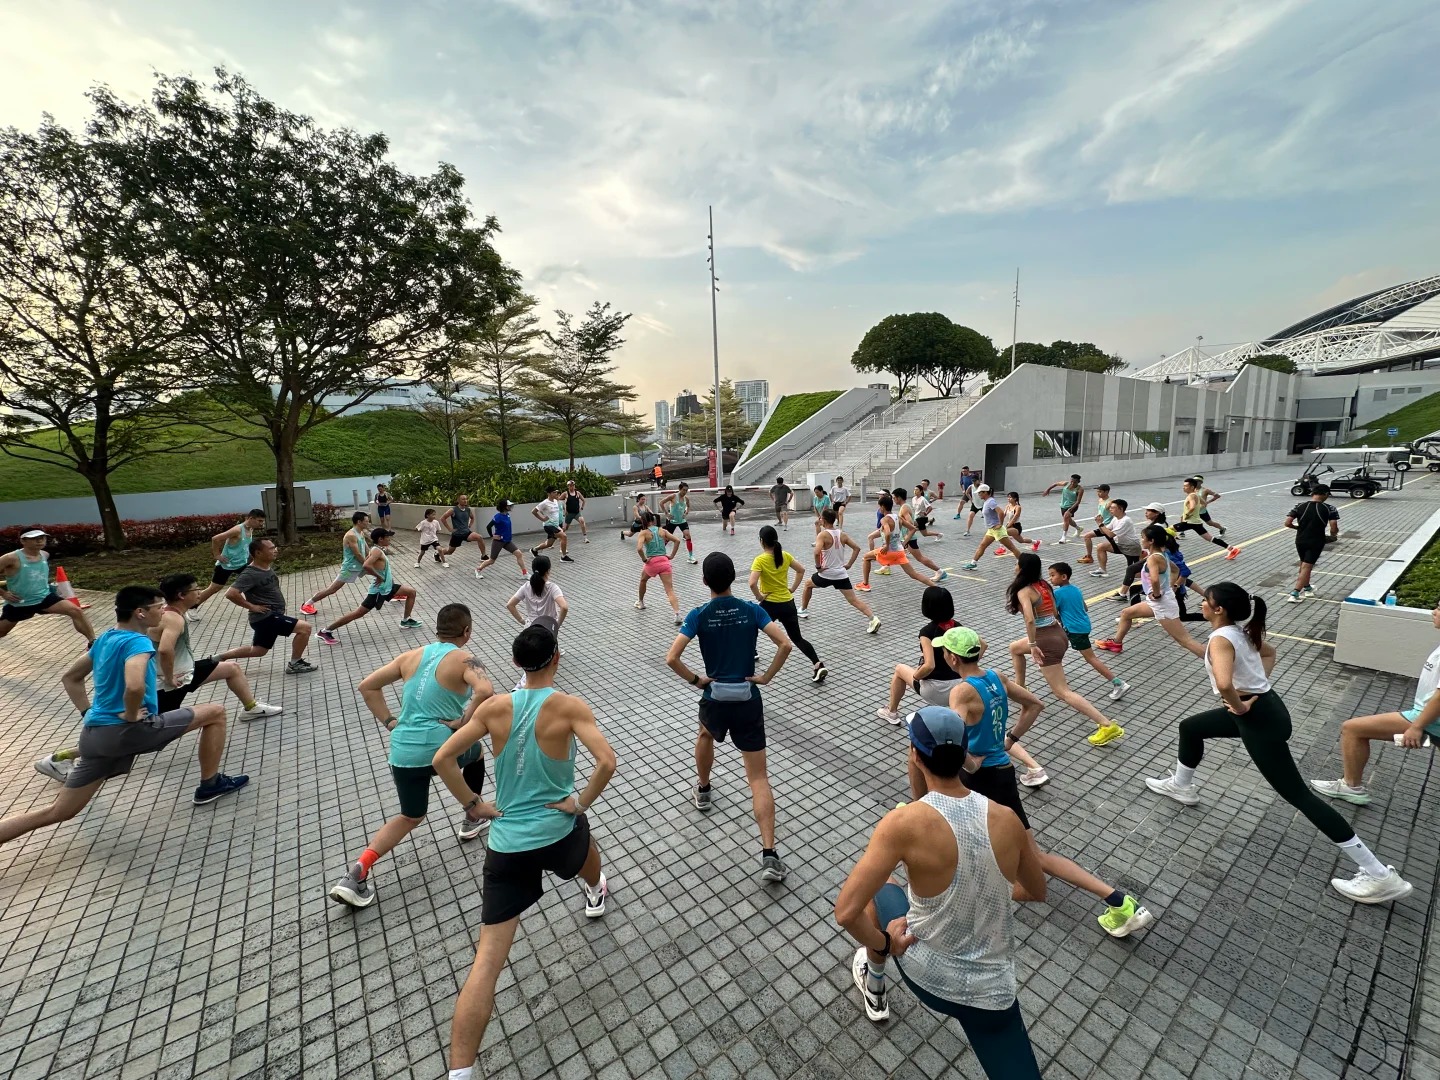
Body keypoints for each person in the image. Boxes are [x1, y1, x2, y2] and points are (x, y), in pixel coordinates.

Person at [1144, 583, 1413, 905]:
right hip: (1264, 708)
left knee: (1298, 795)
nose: (1201, 604)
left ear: (1219, 610)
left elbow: (1224, 682)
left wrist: (1242, 702)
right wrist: (1256, 688)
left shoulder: (1220, 639)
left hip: (1256, 718)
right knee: (1191, 728)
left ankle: (1380, 875)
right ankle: (1181, 786)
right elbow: (1269, 653)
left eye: (1206, 601)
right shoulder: (1239, 632)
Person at [438, 625, 617, 1080]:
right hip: (558, 829)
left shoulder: (495, 707)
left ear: (516, 663)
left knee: (487, 963)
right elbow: (607, 762)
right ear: (556, 657)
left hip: (506, 843)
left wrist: (475, 806)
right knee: (584, 841)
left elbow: (443, 759)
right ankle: (596, 889)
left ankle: (460, 1073)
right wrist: (580, 802)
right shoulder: (569, 706)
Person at [833, 706, 1045, 1077]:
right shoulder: (1006, 818)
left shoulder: (902, 824)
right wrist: (980, 886)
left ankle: (876, 980)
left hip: (926, 970)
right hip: (992, 992)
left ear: (914, 754)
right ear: (965, 754)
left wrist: (885, 943)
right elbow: (1036, 889)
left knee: (882, 884)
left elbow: (845, 911)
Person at [937, 628, 1156, 936]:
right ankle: (1119, 901)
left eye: (944, 651)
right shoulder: (995, 678)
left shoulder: (961, 692)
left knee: (952, 831)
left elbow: (951, 736)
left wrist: (970, 761)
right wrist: (1010, 739)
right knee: (1032, 855)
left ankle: (964, 892)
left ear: (951, 657)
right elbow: (1035, 704)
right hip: (1002, 773)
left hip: (978, 779)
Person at [1, 586, 244, 848]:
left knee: (60, 811)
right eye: (158, 606)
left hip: (94, 735)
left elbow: (70, 678)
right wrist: (130, 714)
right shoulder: (138, 642)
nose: (163, 610)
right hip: (129, 730)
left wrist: (89, 713)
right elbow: (135, 685)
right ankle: (210, 784)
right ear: (140, 613)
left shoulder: (105, 638)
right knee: (216, 713)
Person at [328, 603, 499, 909]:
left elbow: (367, 686)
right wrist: (463, 721)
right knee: (475, 751)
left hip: (402, 751)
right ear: (467, 632)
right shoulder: (464, 658)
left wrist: (391, 722)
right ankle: (472, 815)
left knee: (411, 815)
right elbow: (485, 691)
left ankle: (357, 873)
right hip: (441, 746)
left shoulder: (412, 655)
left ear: (437, 629)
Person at [667, 552, 793, 880]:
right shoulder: (752, 610)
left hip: (715, 697)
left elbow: (672, 658)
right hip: (747, 698)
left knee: (705, 736)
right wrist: (765, 678)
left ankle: (704, 789)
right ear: (734, 578)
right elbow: (785, 645)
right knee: (758, 778)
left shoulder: (698, 615)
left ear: (705, 581)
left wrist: (698, 681)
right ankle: (769, 854)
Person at [1311, 599, 1440, 806]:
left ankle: (1351, 786)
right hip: (1432, 722)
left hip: (1429, 719)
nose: (1433, 612)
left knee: (1352, 729)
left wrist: (1417, 727)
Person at [1004, 553, 1124, 747]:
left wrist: (1034, 645)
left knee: (1062, 691)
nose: (1014, 567)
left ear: (1022, 568)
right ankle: (1021, 688)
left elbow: (1029, 619)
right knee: (1015, 648)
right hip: (1057, 633)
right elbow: (1052, 613)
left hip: (1045, 640)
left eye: (1017, 564)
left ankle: (1106, 724)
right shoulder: (1044, 585)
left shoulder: (1024, 591)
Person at [154, 574, 280, 723]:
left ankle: (251, 708)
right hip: (171, 682)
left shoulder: (169, 612)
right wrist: (169, 679)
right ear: (181, 595)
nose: (200, 592)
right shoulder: (173, 618)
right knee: (156, 729)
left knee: (232, 668)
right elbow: (165, 649)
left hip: (185, 672)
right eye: (196, 589)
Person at [1096, 525, 1203, 658]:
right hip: (1159, 601)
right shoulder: (1161, 554)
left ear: (1151, 541)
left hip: (1162, 604)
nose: (1141, 540)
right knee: (1126, 613)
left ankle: (1215, 661)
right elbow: (1175, 570)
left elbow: (1155, 579)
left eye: (1143, 538)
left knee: (1185, 640)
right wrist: (1172, 586)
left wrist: (1157, 593)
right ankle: (1116, 643)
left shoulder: (1154, 558)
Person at [224, 539, 318, 673]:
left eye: (275, 547)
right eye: (271, 548)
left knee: (258, 650)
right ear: (258, 553)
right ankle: (295, 664)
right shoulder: (250, 573)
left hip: (268, 618)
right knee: (305, 628)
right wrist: (252, 607)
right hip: (266, 617)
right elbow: (231, 593)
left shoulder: (265, 567)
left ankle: (218, 658)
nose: (276, 550)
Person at [750, 526, 827, 684]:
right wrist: (792, 588)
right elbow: (801, 570)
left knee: (751, 627)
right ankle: (817, 664)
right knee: (797, 638)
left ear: (761, 541)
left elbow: (752, 583)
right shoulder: (784, 555)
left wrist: (759, 596)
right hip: (787, 604)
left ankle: (752, 652)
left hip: (769, 605)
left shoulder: (760, 560)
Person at [317, 529, 421, 644]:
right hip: (379, 590)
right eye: (387, 537)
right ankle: (325, 631)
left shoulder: (377, 550)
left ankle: (406, 620)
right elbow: (366, 565)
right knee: (358, 613)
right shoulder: (376, 551)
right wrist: (379, 576)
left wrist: (379, 575)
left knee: (411, 592)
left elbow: (367, 565)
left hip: (387, 587)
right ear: (380, 539)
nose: (390, 539)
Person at [1047, 562, 1129, 701]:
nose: (1050, 578)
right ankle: (1049, 665)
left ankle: (1118, 683)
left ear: (1064, 576)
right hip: (1083, 626)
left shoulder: (1057, 593)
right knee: (1056, 643)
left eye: (1053, 575)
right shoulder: (1076, 589)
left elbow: (1054, 612)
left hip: (1074, 629)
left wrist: (1059, 615)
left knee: (1090, 658)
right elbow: (1085, 608)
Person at [876, 586, 958, 722]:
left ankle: (891, 712)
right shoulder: (959, 626)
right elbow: (983, 645)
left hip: (937, 690)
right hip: (961, 687)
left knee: (899, 670)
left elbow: (929, 665)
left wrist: (916, 676)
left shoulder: (927, 632)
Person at [0, 529, 95, 647]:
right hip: (20, 603)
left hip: (44, 597)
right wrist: (4, 594)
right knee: (2, 632)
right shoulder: (10, 558)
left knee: (75, 610)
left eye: (42, 537)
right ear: (23, 541)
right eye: (34, 538)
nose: (39, 541)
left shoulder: (44, 554)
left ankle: (93, 642)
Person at [797, 508, 881, 634]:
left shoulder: (823, 535)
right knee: (854, 600)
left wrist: (818, 567)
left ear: (823, 520)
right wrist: (849, 565)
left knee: (808, 585)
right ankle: (873, 618)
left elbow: (816, 552)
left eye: (820, 518)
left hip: (826, 574)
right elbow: (857, 548)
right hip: (841, 574)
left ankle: (803, 609)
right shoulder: (842, 534)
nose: (819, 520)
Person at [859, 494, 937, 591]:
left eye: (879, 507)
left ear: (883, 507)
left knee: (866, 557)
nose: (879, 509)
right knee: (914, 574)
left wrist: (887, 545)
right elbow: (913, 529)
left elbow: (887, 533)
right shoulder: (898, 518)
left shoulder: (885, 519)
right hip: (899, 551)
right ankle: (936, 587)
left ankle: (865, 584)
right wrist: (904, 543)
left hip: (889, 551)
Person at [301, 512, 372, 615]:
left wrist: (371, 557)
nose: (368, 523)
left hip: (361, 565)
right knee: (332, 589)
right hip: (349, 569)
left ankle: (394, 592)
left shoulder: (360, 532)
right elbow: (357, 554)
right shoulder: (351, 535)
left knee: (382, 571)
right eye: (366, 521)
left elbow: (365, 547)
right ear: (359, 522)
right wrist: (367, 563)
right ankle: (307, 605)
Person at [195, 508, 268, 607]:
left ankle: (258, 603)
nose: (261, 524)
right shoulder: (237, 530)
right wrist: (217, 555)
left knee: (253, 581)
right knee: (214, 588)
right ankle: (192, 606)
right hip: (226, 564)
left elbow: (243, 546)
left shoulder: (250, 528)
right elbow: (215, 539)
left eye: (262, 521)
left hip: (241, 564)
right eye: (260, 521)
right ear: (251, 518)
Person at [1284, 485, 1340, 603]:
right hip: (1316, 540)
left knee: (1303, 564)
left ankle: (1307, 588)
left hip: (1300, 539)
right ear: (1325, 494)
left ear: (1312, 493)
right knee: (1307, 566)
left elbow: (1288, 523)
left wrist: (1298, 528)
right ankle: (1295, 593)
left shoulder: (1299, 506)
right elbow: (1333, 526)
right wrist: (1333, 535)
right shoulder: (1329, 508)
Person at [634, 511, 682, 625]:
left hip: (652, 562)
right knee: (670, 590)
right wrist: (671, 556)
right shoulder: (662, 531)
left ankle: (640, 602)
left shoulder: (643, 533)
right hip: (664, 561)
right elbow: (677, 540)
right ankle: (677, 614)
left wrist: (645, 560)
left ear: (643, 521)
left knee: (643, 580)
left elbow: (639, 549)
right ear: (653, 520)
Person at [960, 485, 1024, 570]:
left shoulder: (990, 501)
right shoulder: (986, 501)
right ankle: (973, 563)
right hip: (991, 530)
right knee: (982, 545)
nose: (978, 494)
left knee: (1012, 548)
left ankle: (1023, 563)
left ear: (985, 492)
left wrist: (1000, 524)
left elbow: (1000, 512)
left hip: (997, 530)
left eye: (980, 493)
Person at [1177, 477, 1240, 560]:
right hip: (1196, 522)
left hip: (1192, 521)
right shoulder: (1195, 494)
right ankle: (1232, 549)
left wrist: (1188, 513)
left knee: (1165, 531)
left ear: (1193, 486)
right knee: (1210, 538)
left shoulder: (1196, 494)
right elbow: (1203, 503)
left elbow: (1193, 507)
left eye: (1185, 486)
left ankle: (1170, 553)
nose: (1183, 488)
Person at [507, 556, 568, 637]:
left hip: (530, 628)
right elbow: (564, 607)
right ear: (548, 571)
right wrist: (557, 624)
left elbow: (510, 605)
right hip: (547, 629)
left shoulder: (526, 586)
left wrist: (522, 621)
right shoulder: (552, 588)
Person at [1087, 498, 1142, 578]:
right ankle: (1102, 570)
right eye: (1110, 508)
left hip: (1131, 547)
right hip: (1119, 544)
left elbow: (1110, 535)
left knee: (1134, 574)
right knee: (1100, 547)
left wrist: (1100, 524)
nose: (1110, 509)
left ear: (1121, 509)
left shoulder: (1125, 521)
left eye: (1113, 508)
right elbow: (1104, 531)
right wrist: (1099, 523)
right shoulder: (1115, 518)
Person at [475, 500, 528, 580]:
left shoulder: (507, 515)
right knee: (492, 560)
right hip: (498, 542)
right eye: (509, 505)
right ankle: (478, 570)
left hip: (507, 541)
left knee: (519, 554)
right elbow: (488, 527)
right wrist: (492, 536)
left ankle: (525, 574)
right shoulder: (498, 517)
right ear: (505, 507)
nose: (510, 507)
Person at [530, 486, 572, 562]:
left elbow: (556, 514)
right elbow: (534, 511)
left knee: (548, 544)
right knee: (564, 536)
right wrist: (542, 518)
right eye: (554, 492)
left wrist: (561, 524)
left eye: (556, 492)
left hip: (555, 525)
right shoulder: (545, 503)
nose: (556, 493)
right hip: (548, 525)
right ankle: (563, 557)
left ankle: (534, 549)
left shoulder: (556, 501)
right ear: (549, 493)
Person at [659, 482, 698, 565]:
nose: (685, 492)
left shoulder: (686, 498)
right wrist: (666, 513)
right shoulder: (673, 496)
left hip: (682, 521)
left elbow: (688, 506)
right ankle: (659, 555)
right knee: (667, 539)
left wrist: (686, 513)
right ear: (679, 489)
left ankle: (691, 556)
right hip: (672, 521)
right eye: (683, 490)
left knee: (688, 535)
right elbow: (661, 503)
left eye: (686, 490)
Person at [1076, 483, 1113, 564]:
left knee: (1119, 546)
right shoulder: (1100, 500)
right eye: (1097, 491)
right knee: (1087, 536)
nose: (1098, 493)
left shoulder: (1110, 503)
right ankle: (1089, 557)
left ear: (1106, 492)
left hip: (1108, 527)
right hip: (1101, 526)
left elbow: (1116, 514)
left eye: (1100, 492)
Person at [1042, 474, 1085, 543]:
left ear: (1078, 482)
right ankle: (1078, 528)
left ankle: (1063, 537)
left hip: (1073, 506)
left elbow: (1078, 501)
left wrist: (1071, 509)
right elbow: (1055, 484)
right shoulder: (1066, 484)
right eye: (1071, 481)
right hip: (1063, 505)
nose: (1072, 483)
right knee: (1068, 520)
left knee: (1066, 517)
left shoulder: (1080, 489)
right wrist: (1048, 490)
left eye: (1074, 482)